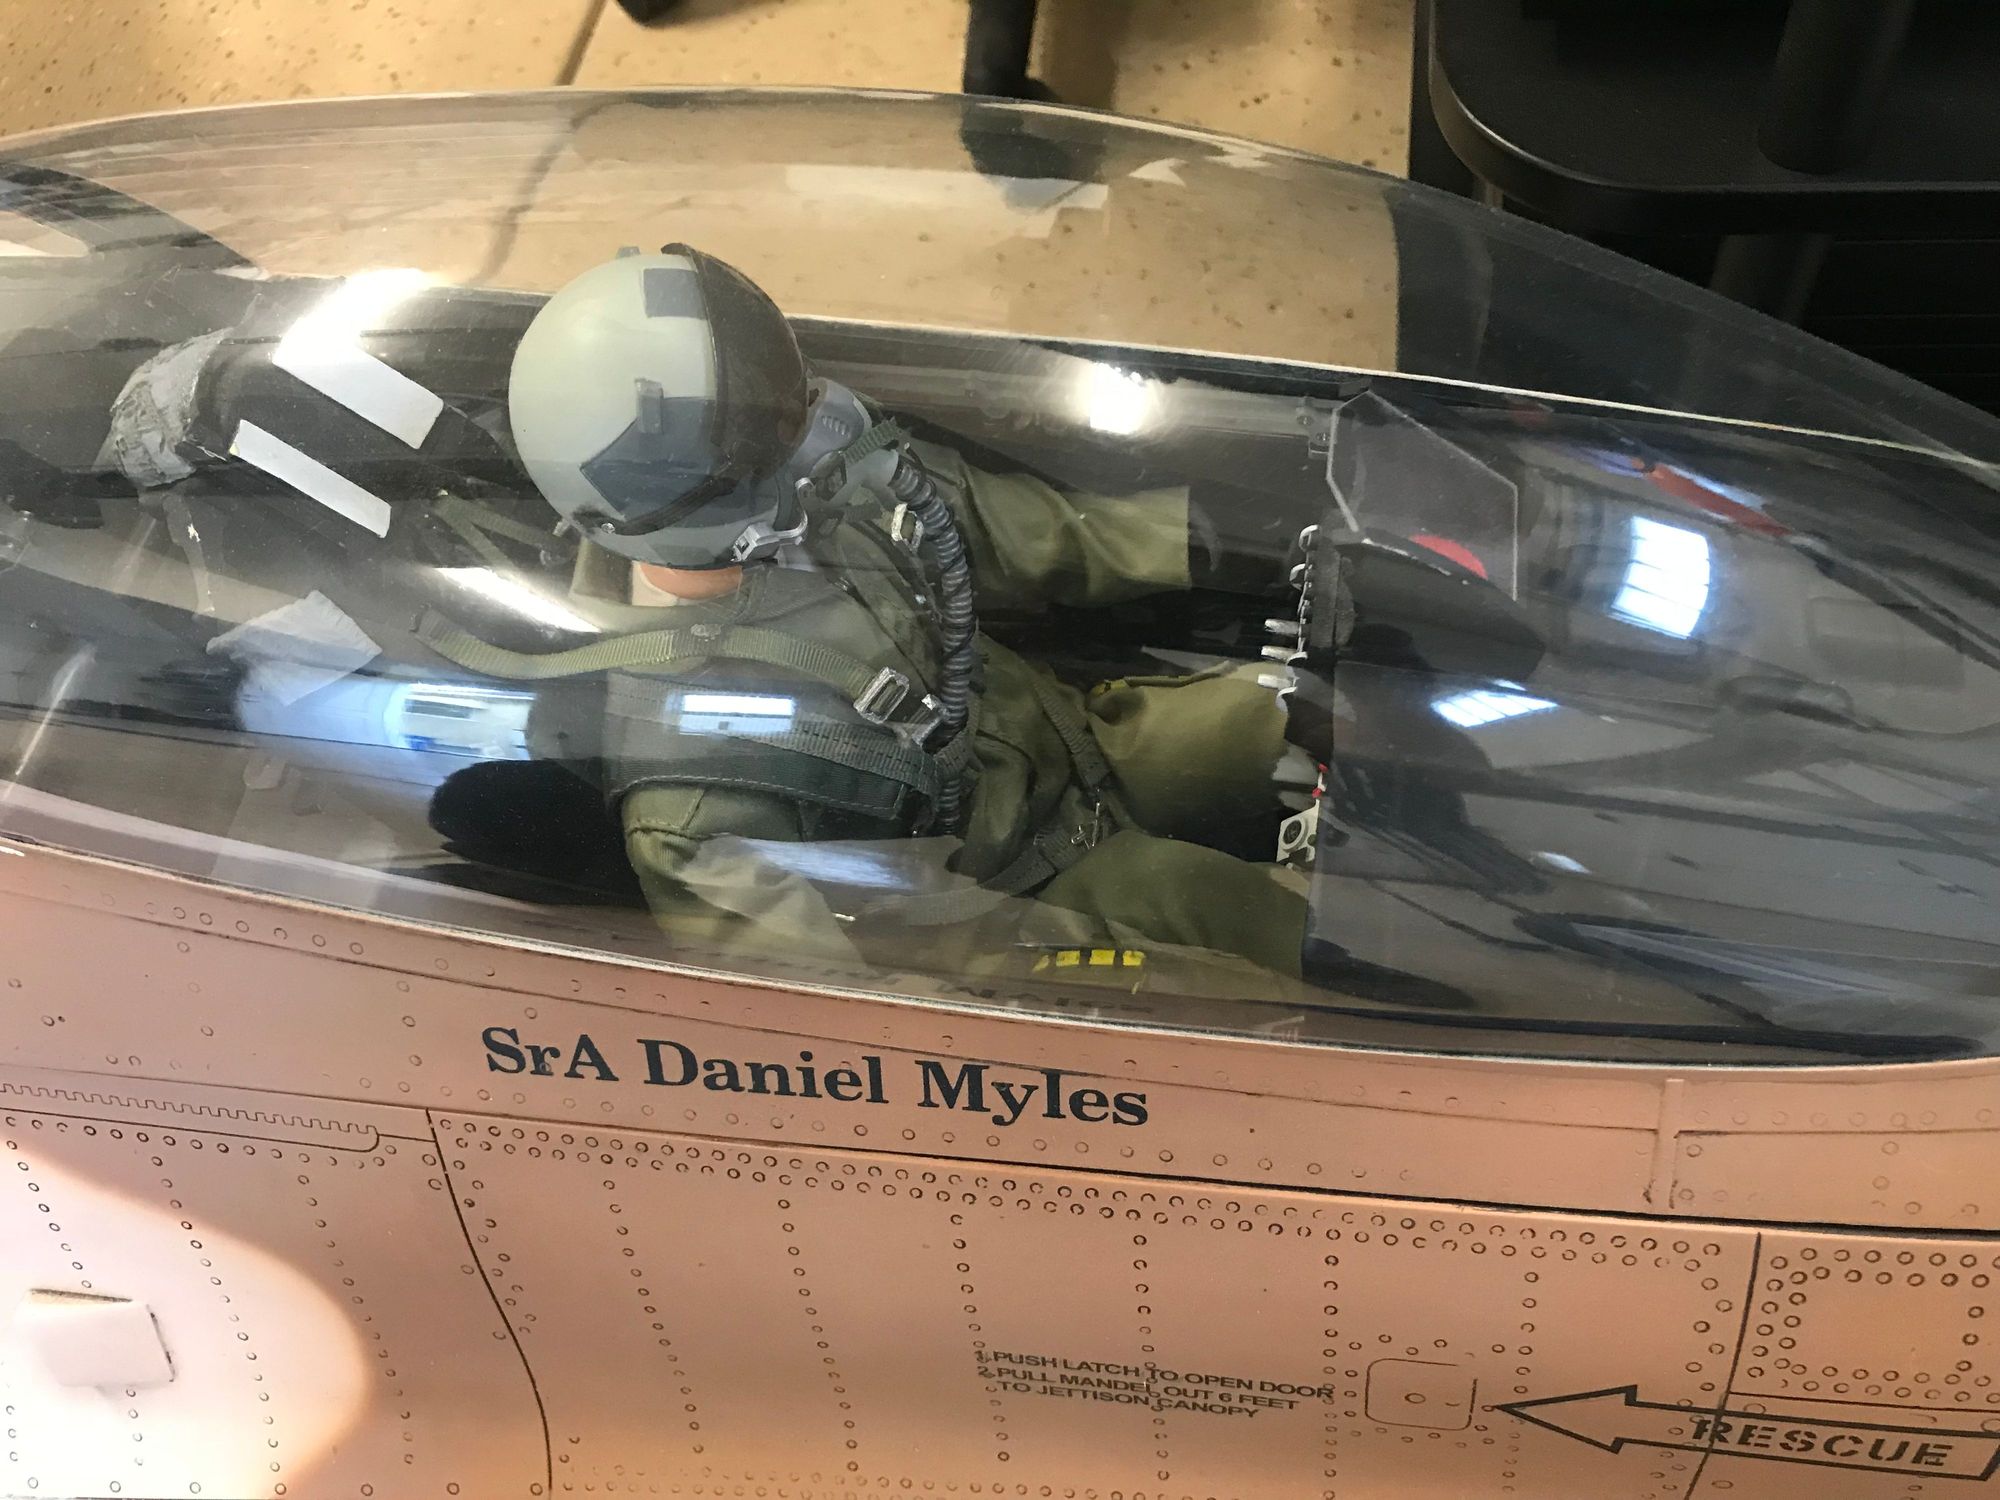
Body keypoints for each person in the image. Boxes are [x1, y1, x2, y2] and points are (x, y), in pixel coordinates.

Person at [443, 244, 1313, 991]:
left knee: (1307, 711)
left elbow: (997, 528)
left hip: (1084, 741)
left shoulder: (809, 491)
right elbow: (850, 1006)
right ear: (701, 490)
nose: (814, 419)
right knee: (1272, 938)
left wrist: (1214, 541)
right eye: (772, 419)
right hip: (1017, 902)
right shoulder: (693, 803)